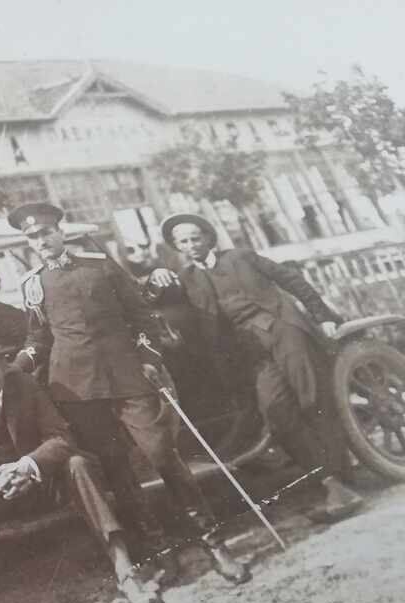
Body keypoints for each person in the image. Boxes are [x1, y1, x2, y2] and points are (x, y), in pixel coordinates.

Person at [7, 202, 250, 585]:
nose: (41, 241)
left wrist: (148, 357)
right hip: (76, 389)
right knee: (118, 471)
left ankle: (214, 543)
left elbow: (142, 316)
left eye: (46, 233)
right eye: (32, 237)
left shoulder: (99, 266)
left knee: (161, 455)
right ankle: (160, 552)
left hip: (127, 377)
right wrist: (15, 367)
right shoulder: (33, 284)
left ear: (60, 232)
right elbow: (38, 338)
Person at [0, 329, 163, 603]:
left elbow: (61, 437)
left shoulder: (25, 386)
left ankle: (127, 573)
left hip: (40, 487)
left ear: (3, 364)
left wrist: (26, 466)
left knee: (78, 465)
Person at [150, 213, 364, 522]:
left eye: (196, 237)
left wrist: (323, 315)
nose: (191, 245)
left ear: (209, 237)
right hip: (252, 351)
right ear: (176, 246)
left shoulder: (241, 257)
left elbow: (290, 280)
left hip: (283, 330)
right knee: (276, 412)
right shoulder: (186, 278)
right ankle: (330, 482)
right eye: (183, 241)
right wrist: (155, 276)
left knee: (313, 401)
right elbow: (151, 301)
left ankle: (343, 482)